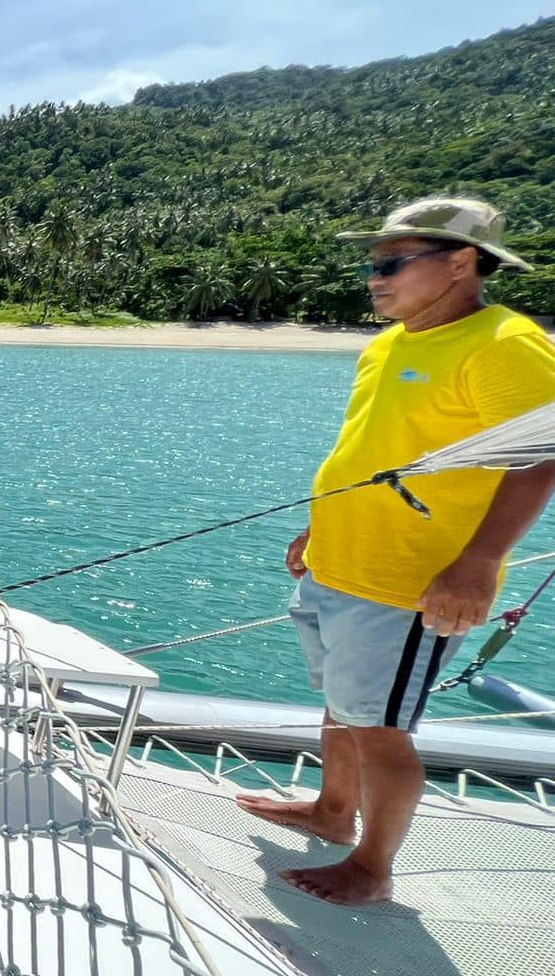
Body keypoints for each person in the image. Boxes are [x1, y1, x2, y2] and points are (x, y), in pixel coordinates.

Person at [238, 196, 555, 904]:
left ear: (462, 262)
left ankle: (372, 868)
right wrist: (321, 528)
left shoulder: (503, 343)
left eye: (391, 264)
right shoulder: (390, 343)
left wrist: (478, 564)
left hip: (408, 584)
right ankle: (331, 811)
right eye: (372, 265)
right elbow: (373, 448)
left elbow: (539, 460)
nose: (374, 279)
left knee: (379, 728)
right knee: (343, 706)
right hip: (341, 563)